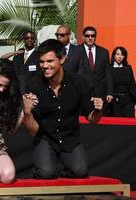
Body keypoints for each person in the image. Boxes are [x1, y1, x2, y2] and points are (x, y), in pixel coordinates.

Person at [23, 39, 103, 179]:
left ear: (62, 59)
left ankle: (58, 172)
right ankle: (47, 170)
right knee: (46, 173)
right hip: (45, 138)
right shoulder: (34, 85)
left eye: (50, 61)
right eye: (42, 62)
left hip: (70, 138)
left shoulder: (79, 82)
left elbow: (93, 119)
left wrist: (98, 110)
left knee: (80, 171)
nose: (45, 66)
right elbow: (33, 131)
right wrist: (27, 112)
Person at [78, 26, 113, 115]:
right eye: (87, 35)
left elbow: (108, 73)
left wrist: (110, 92)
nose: (90, 38)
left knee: (100, 119)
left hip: (100, 92)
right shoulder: (76, 51)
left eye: (92, 36)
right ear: (83, 37)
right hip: (83, 91)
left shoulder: (104, 52)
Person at [109, 46, 136, 117]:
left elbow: (132, 85)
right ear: (114, 55)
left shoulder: (128, 68)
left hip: (128, 100)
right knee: (117, 124)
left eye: (122, 55)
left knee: (129, 124)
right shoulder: (109, 68)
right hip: (115, 101)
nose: (120, 57)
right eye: (117, 54)